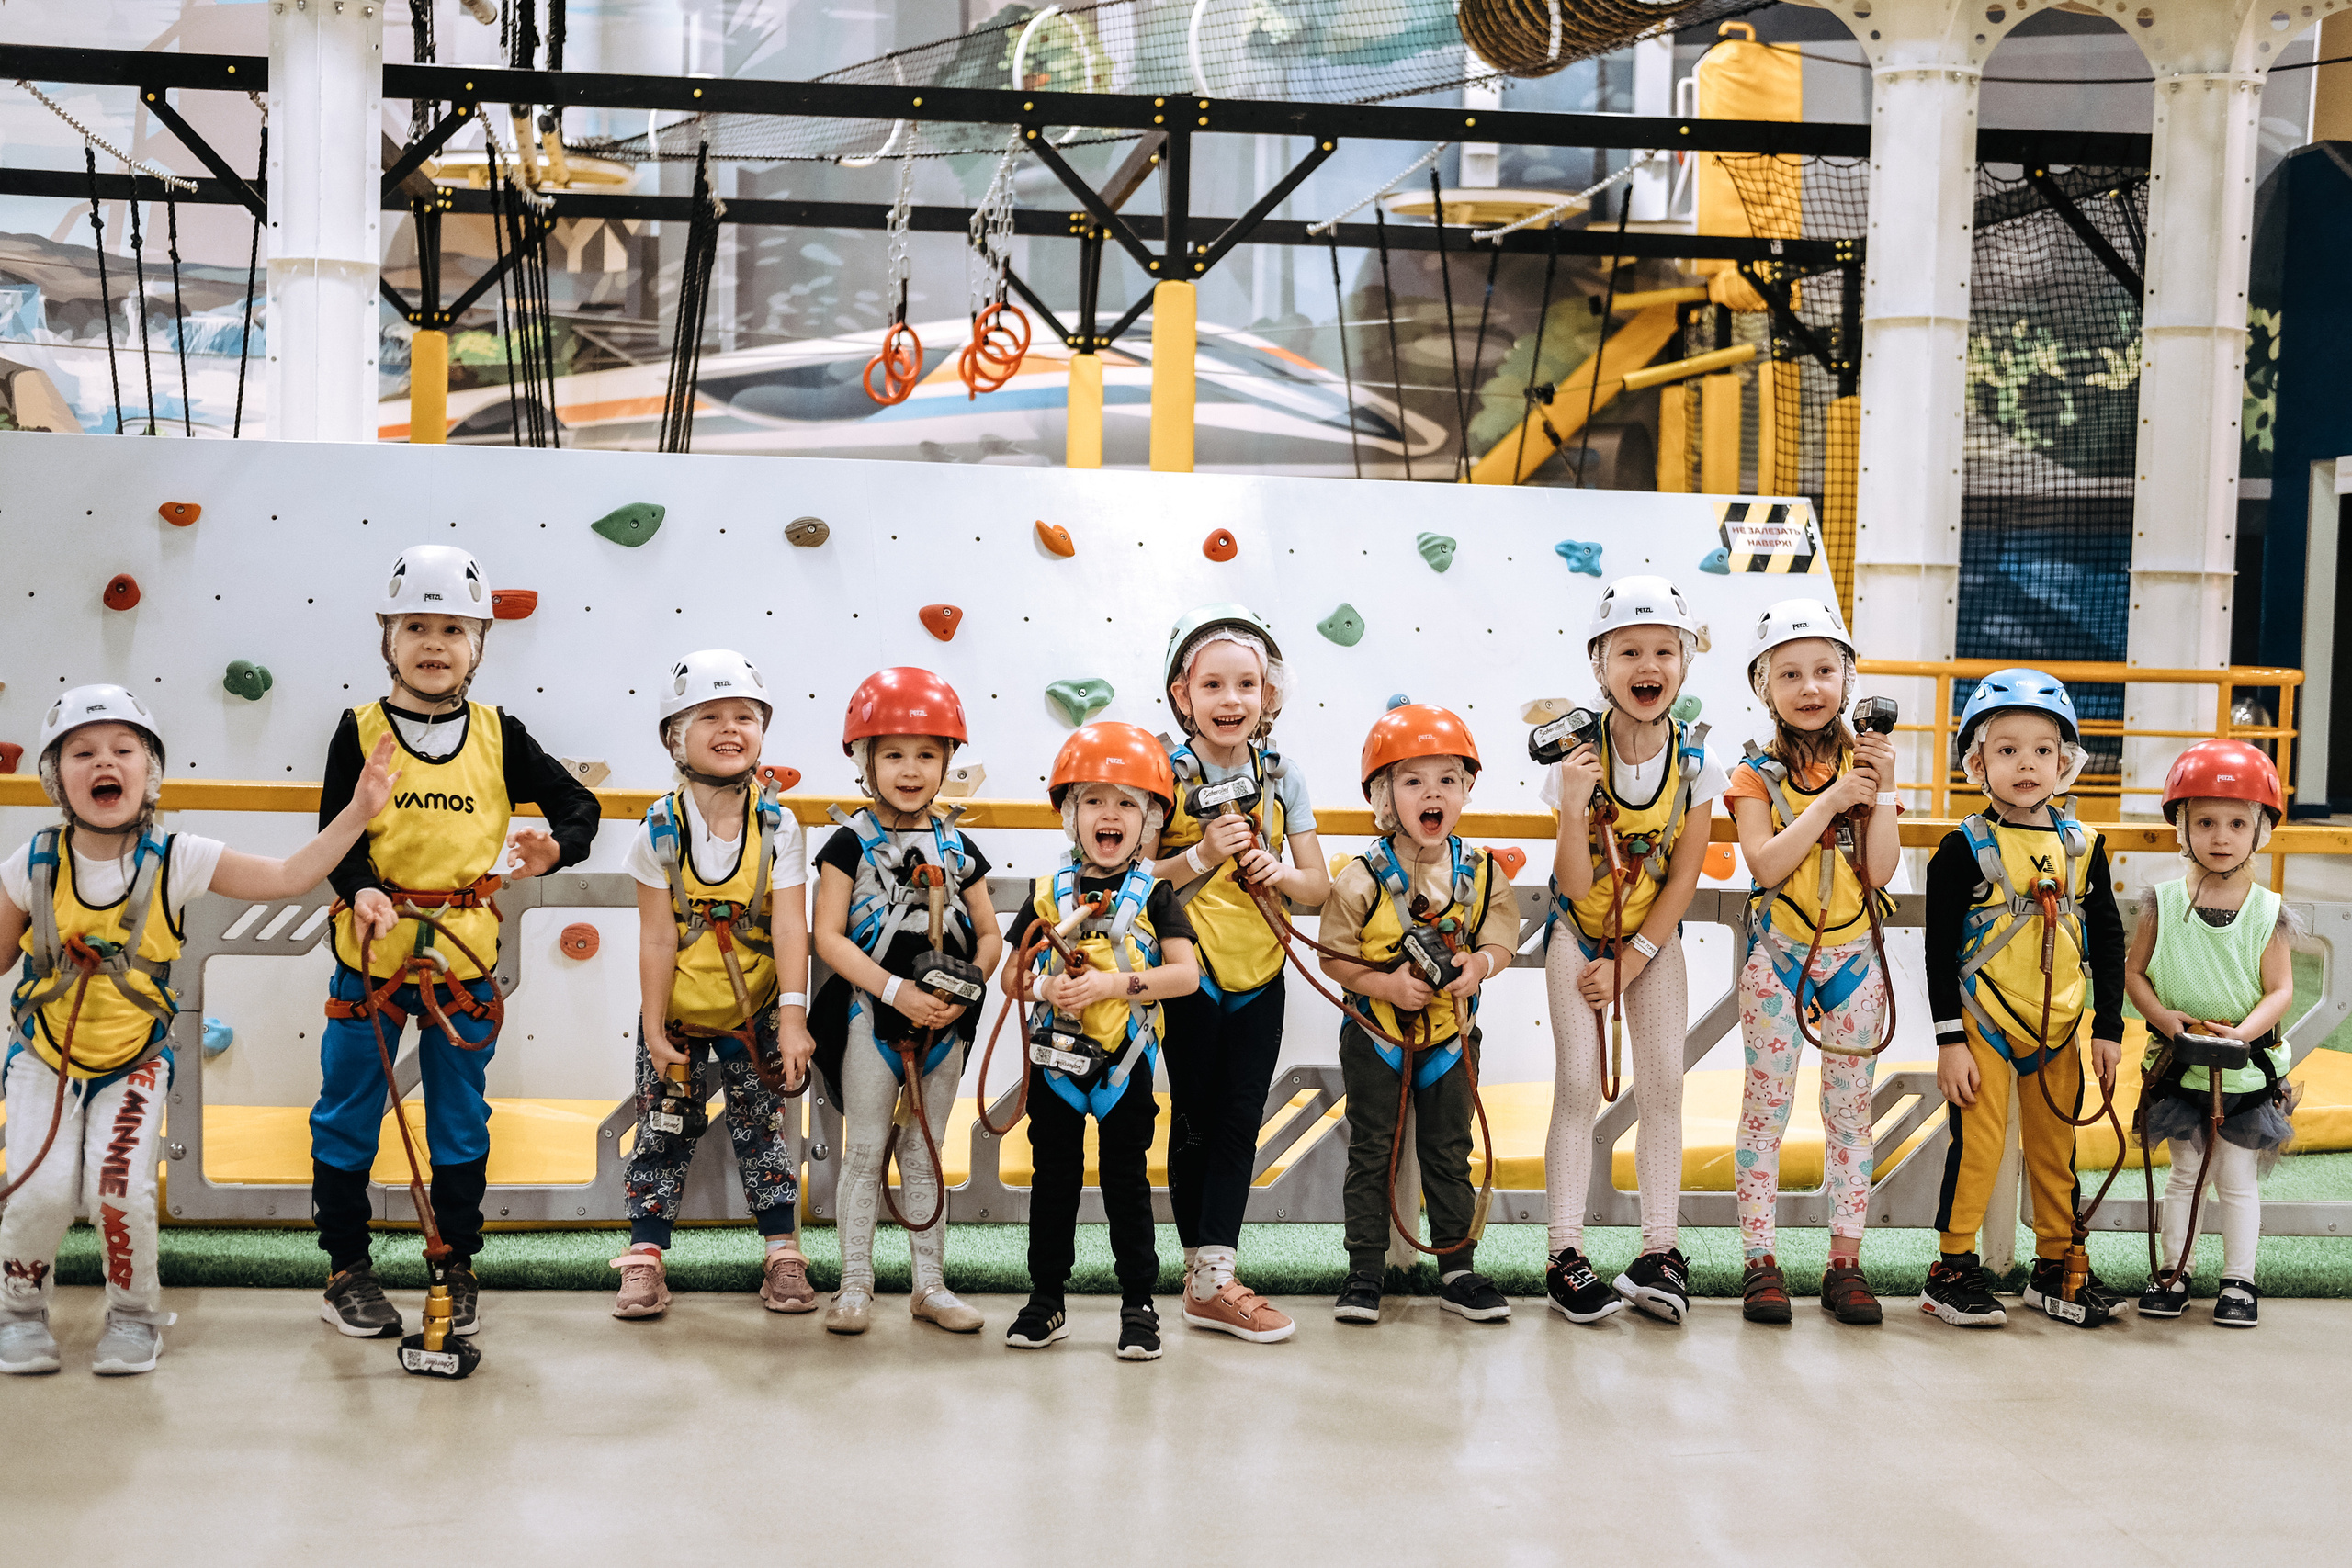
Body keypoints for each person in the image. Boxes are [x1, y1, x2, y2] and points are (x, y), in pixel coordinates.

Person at [1, 686, 397, 1374]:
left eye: (124, 750)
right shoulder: (31, 863)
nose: (106, 762)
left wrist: (359, 813)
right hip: (44, 1057)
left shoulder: (176, 856)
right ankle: (20, 1310)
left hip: (134, 1059)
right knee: (38, 1187)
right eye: (84, 752)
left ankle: (133, 1314)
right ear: (56, 776)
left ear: (148, 772)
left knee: (118, 1187)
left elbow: (287, 876)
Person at [312, 547, 600, 1341]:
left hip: (462, 967)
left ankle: (455, 1262)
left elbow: (579, 805)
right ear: (387, 637)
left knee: (459, 1120)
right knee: (347, 1114)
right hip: (370, 959)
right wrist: (361, 885)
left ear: (478, 645)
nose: (433, 643)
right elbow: (337, 835)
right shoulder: (358, 730)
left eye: (452, 629)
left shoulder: (500, 735)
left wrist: (557, 847)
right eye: (416, 627)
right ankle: (346, 1270)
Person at [610, 651, 820, 1321]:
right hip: (676, 1014)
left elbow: (791, 929)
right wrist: (651, 1027)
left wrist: (792, 1016)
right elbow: (656, 937)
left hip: (755, 1008)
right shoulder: (658, 830)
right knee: (663, 1128)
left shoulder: (779, 826)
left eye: (745, 717)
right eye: (711, 716)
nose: (731, 728)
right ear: (676, 735)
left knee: (763, 1128)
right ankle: (645, 1258)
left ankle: (782, 1251)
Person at [1921, 669, 2129, 1328]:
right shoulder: (1963, 849)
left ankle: (2056, 1266)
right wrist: (1949, 1039)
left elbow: (2110, 942)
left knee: (2054, 1146)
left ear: (2066, 761)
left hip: (2060, 1024)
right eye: (2006, 749)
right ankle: (1952, 1268)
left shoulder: (2082, 847)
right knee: (1978, 1147)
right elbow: (1935, 950)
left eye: (2043, 749)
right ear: (1977, 762)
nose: (2027, 763)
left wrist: (2110, 1027)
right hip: (1983, 1018)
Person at [1543, 576, 1724, 1325]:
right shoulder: (1575, 759)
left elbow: (1686, 873)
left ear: (1683, 663)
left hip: (1651, 940)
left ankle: (1658, 1250)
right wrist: (1577, 804)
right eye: (1628, 651)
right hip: (1577, 933)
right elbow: (1575, 878)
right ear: (1599, 664)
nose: (1646, 665)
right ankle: (1564, 1253)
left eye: (1662, 651)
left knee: (1664, 1089)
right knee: (1579, 1086)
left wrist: (1638, 958)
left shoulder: (1696, 760)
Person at [1148, 604, 1326, 1345]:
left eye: (1246, 684)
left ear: (1269, 694)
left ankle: (1211, 1275)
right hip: (1189, 971)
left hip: (1262, 972)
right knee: (1192, 1118)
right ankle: (1207, 1274)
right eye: (1212, 683)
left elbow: (1317, 887)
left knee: (1238, 1122)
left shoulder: (1282, 775)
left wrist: (1277, 870)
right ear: (1181, 692)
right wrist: (1199, 855)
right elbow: (1121, 879)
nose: (1230, 699)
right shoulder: (1158, 768)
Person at [1723, 599, 1900, 1325]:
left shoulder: (1866, 768)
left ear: (1847, 681)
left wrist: (1878, 790)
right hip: (1779, 957)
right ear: (1765, 686)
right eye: (1790, 673)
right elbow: (1765, 863)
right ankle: (1760, 1260)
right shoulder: (1753, 776)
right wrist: (1831, 800)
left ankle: (1845, 1261)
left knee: (1850, 1117)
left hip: (1854, 958)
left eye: (1825, 670)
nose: (1810, 687)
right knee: (1764, 1113)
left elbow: (1880, 871)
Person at [809, 668, 1002, 1336]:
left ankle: (930, 1285)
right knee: (863, 1152)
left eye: (927, 754)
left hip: (944, 1028)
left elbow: (988, 936)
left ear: (948, 761)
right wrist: (896, 992)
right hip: (873, 1019)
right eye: (892, 753)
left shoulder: (958, 847)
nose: (911, 769)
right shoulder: (847, 845)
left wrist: (959, 995)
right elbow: (827, 937)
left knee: (923, 1151)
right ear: (865, 761)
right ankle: (854, 1284)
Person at [1001, 723, 1200, 1359]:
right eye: (1094, 800)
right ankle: (1046, 1299)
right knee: (1051, 1180)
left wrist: (1115, 984)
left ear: (1149, 822)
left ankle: (1139, 1304)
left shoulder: (1156, 894)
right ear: (1070, 814)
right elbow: (1011, 977)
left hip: (1125, 1066)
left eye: (1126, 802)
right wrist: (1045, 991)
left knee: (1127, 1184)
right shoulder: (1045, 896)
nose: (1108, 814)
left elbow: (1186, 976)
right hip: (1056, 1065)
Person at [1319, 705, 1519, 1326]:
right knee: (1372, 1151)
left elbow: (1501, 940)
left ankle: (1457, 1268)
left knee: (1449, 1150)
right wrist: (1384, 983)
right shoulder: (1359, 879)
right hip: (1376, 1035)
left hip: (1450, 1038)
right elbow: (1334, 958)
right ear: (1383, 796)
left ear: (1465, 791)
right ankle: (1365, 1271)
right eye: (1413, 781)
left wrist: (1478, 966)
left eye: (1448, 779)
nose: (1433, 792)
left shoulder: (1482, 874)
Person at [2127, 739, 2298, 1328]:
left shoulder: (2267, 911)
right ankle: (2174, 1273)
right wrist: (2165, 1020)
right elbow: (2135, 974)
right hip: (2179, 1068)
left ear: (2260, 831)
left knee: (2235, 1179)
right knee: (2183, 1175)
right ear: (2182, 827)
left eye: (2235, 823)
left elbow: (2279, 990)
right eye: (2204, 822)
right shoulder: (2162, 902)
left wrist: (2243, 1037)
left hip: (2244, 1071)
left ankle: (2238, 1283)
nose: (2220, 836)